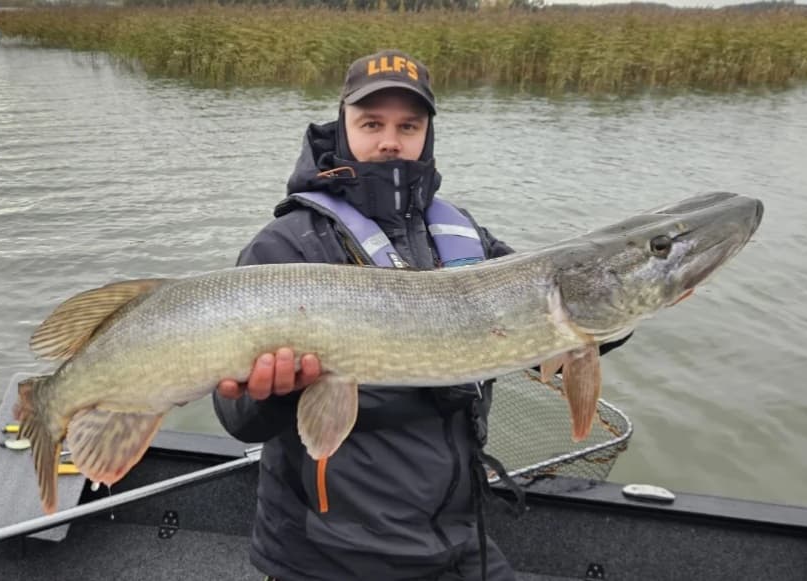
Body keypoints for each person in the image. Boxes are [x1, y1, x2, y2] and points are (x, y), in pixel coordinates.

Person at [213, 49, 629, 581]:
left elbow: (551, 313)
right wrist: (272, 392)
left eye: (408, 125)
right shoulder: (289, 245)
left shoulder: (461, 235)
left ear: (426, 134)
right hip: (328, 553)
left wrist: (628, 306)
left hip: (459, 537)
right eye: (372, 123)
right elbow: (236, 419)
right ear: (343, 127)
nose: (390, 140)